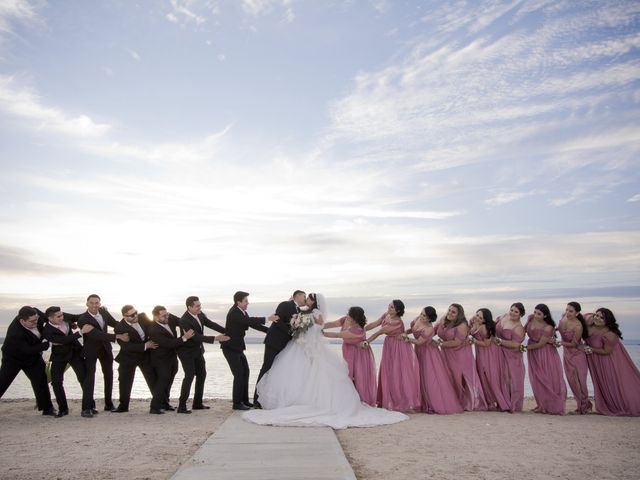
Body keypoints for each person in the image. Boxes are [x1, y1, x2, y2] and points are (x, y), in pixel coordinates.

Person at [243, 293, 407, 428]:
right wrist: (301, 327)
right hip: (301, 344)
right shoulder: (304, 311)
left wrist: (312, 330)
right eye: (305, 297)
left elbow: (324, 328)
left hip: (320, 346)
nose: (306, 299)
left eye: (309, 298)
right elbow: (326, 325)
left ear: (314, 301)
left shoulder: (317, 314)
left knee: (319, 372)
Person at [77, 294, 130, 418]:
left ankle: (108, 404)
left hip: (106, 349)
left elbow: (115, 324)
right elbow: (96, 335)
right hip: (91, 350)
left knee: (109, 375)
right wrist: (118, 337)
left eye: (97, 303)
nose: (95, 305)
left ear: (100, 304)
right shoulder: (82, 319)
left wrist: (129, 326)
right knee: (90, 377)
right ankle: (86, 408)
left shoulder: (103, 312)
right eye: (92, 303)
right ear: (87, 304)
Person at [222, 291, 275, 410]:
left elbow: (253, 325)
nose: (248, 303)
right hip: (230, 348)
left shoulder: (242, 312)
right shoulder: (234, 312)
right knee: (239, 374)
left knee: (245, 372)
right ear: (238, 302)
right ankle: (236, 403)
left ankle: (244, 400)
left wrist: (269, 331)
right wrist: (268, 318)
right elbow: (249, 321)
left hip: (238, 348)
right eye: (245, 301)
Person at [253, 290, 307, 408]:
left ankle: (269, 398)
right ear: (297, 296)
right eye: (304, 296)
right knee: (266, 368)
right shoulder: (285, 304)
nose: (305, 299)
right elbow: (277, 319)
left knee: (277, 370)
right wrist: (291, 332)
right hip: (274, 342)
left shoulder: (299, 311)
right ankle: (256, 399)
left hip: (285, 345)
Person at [366, 300, 421, 412]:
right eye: (389, 306)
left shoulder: (397, 322)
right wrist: (361, 330)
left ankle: (400, 401)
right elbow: (375, 323)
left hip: (398, 347)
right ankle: (386, 399)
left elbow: (378, 332)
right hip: (389, 344)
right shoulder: (387, 315)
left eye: (392, 307)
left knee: (397, 373)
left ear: (398, 311)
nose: (389, 308)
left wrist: (366, 341)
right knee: (387, 371)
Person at [406, 306, 463, 414]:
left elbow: (419, 342)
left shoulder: (429, 329)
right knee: (419, 375)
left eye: (425, 316)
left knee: (429, 377)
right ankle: (421, 401)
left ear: (429, 319)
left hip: (428, 353)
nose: (422, 317)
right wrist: (405, 332)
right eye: (422, 314)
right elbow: (413, 329)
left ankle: (431, 403)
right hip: (418, 351)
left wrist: (405, 338)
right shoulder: (418, 318)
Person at [0, 306, 56, 416]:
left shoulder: (36, 315)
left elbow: (50, 318)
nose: (36, 322)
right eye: (32, 321)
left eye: (37, 319)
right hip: (13, 359)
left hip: (33, 358)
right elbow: (28, 350)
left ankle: (47, 408)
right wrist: (47, 344)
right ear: (22, 321)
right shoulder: (15, 334)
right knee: (2, 382)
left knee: (41, 380)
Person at [584, 308, 640, 416]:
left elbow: (606, 351)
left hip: (608, 362)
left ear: (608, 321)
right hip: (596, 361)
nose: (598, 318)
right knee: (602, 383)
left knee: (613, 383)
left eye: (602, 318)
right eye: (597, 315)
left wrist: (590, 349)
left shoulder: (610, 334)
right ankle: (607, 404)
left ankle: (621, 405)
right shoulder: (589, 321)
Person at [177, 296, 229, 413]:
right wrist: (215, 338)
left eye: (200, 305)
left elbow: (211, 324)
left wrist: (226, 331)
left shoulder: (200, 314)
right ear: (189, 307)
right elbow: (196, 337)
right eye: (197, 306)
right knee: (189, 376)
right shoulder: (184, 320)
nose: (200, 307)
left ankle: (197, 403)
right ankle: (181, 405)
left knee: (202, 374)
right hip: (186, 352)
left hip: (198, 351)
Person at [435, 303, 487, 411]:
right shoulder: (444, 319)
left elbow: (457, 342)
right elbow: (434, 330)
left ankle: (468, 402)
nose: (450, 313)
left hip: (460, 354)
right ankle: (451, 399)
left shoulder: (462, 325)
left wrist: (439, 344)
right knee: (448, 376)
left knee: (459, 377)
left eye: (453, 312)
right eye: (449, 310)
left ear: (459, 314)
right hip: (446, 353)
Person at [322, 306, 377, 406]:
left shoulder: (357, 330)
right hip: (348, 351)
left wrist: (321, 333)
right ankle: (349, 399)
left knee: (357, 376)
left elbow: (336, 335)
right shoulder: (345, 320)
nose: (347, 316)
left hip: (359, 354)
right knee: (348, 374)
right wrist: (319, 326)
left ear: (354, 318)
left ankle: (359, 401)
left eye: (349, 315)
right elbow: (333, 324)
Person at [148, 306, 194, 414]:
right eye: (164, 316)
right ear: (155, 317)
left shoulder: (170, 318)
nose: (167, 317)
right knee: (162, 381)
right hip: (160, 359)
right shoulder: (153, 330)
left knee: (169, 381)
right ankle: (154, 407)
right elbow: (169, 343)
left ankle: (165, 403)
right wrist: (184, 337)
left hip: (172, 357)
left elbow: (182, 321)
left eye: (167, 314)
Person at [41, 306, 86, 417]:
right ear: (50, 318)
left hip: (75, 352)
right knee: (56, 382)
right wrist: (80, 333)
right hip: (59, 355)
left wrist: (101, 310)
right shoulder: (47, 331)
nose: (62, 317)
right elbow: (63, 340)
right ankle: (63, 409)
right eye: (58, 316)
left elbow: (77, 316)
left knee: (83, 378)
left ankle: (89, 405)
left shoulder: (65, 317)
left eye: (62, 315)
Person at [112, 306, 158, 413]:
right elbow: (126, 347)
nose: (135, 316)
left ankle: (160, 402)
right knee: (124, 382)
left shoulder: (142, 317)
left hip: (144, 356)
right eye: (132, 315)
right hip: (128, 358)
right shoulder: (119, 328)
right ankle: (123, 406)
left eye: (135, 313)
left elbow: (153, 327)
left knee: (153, 379)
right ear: (124, 316)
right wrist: (146, 346)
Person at [525, 304, 566, 414]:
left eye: (539, 314)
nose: (536, 315)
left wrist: (524, 348)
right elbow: (524, 330)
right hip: (532, 352)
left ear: (545, 315)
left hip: (545, 353)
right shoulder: (530, 318)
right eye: (535, 312)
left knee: (545, 378)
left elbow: (541, 344)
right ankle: (540, 404)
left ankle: (551, 405)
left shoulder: (548, 327)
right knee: (535, 378)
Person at [469, 308, 509, 411]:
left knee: (490, 377)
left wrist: (474, 341)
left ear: (484, 320)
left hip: (489, 353)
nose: (477, 317)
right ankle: (489, 401)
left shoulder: (484, 328)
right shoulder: (475, 323)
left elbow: (486, 344)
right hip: (481, 353)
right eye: (477, 315)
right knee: (483, 376)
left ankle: (500, 403)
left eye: (480, 317)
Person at [559, 301, 592, 414]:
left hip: (577, 354)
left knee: (579, 381)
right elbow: (560, 329)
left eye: (571, 311)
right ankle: (584, 404)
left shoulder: (578, 326)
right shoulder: (564, 317)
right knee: (571, 380)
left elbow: (574, 344)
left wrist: (559, 343)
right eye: (567, 309)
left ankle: (582, 406)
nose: (568, 312)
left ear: (577, 313)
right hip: (567, 354)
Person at [494, 302, 526, 413]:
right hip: (498, 352)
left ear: (520, 314)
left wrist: (500, 341)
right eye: (511, 310)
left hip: (512, 355)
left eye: (516, 312)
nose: (512, 313)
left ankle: (511, 404)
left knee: (510, 379)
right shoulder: (504, 316)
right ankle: (502, 402)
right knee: (500, 377)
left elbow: (516, 344)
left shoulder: (519, 328)